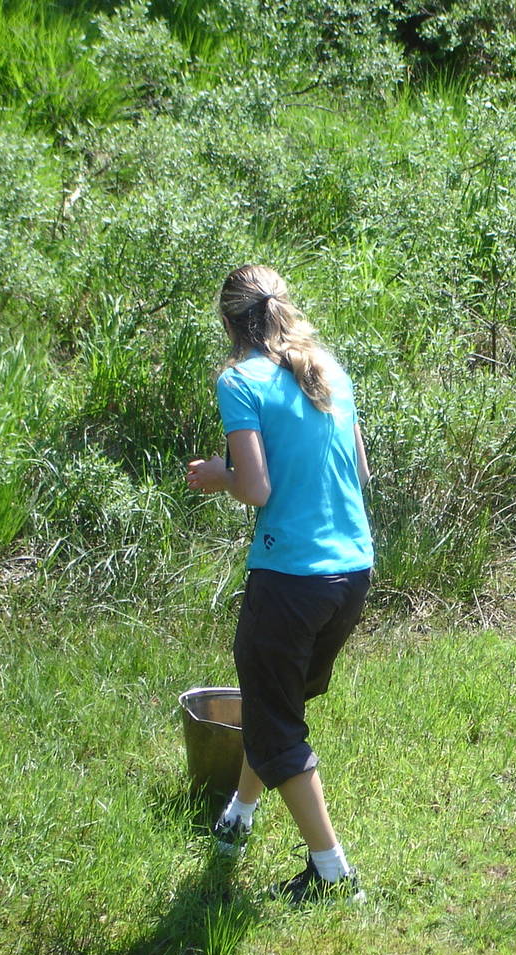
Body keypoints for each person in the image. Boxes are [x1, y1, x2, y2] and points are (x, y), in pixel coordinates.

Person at [185, 265, 373, 903]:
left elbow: (256, 487)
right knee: (276, 707)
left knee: (278, 722)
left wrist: (218, 472)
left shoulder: (240, 380)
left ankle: (331, 872)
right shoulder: (329, 370)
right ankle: (238, 813)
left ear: (230, 323)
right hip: (352, 572)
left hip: (291, 576)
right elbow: (360, 470)